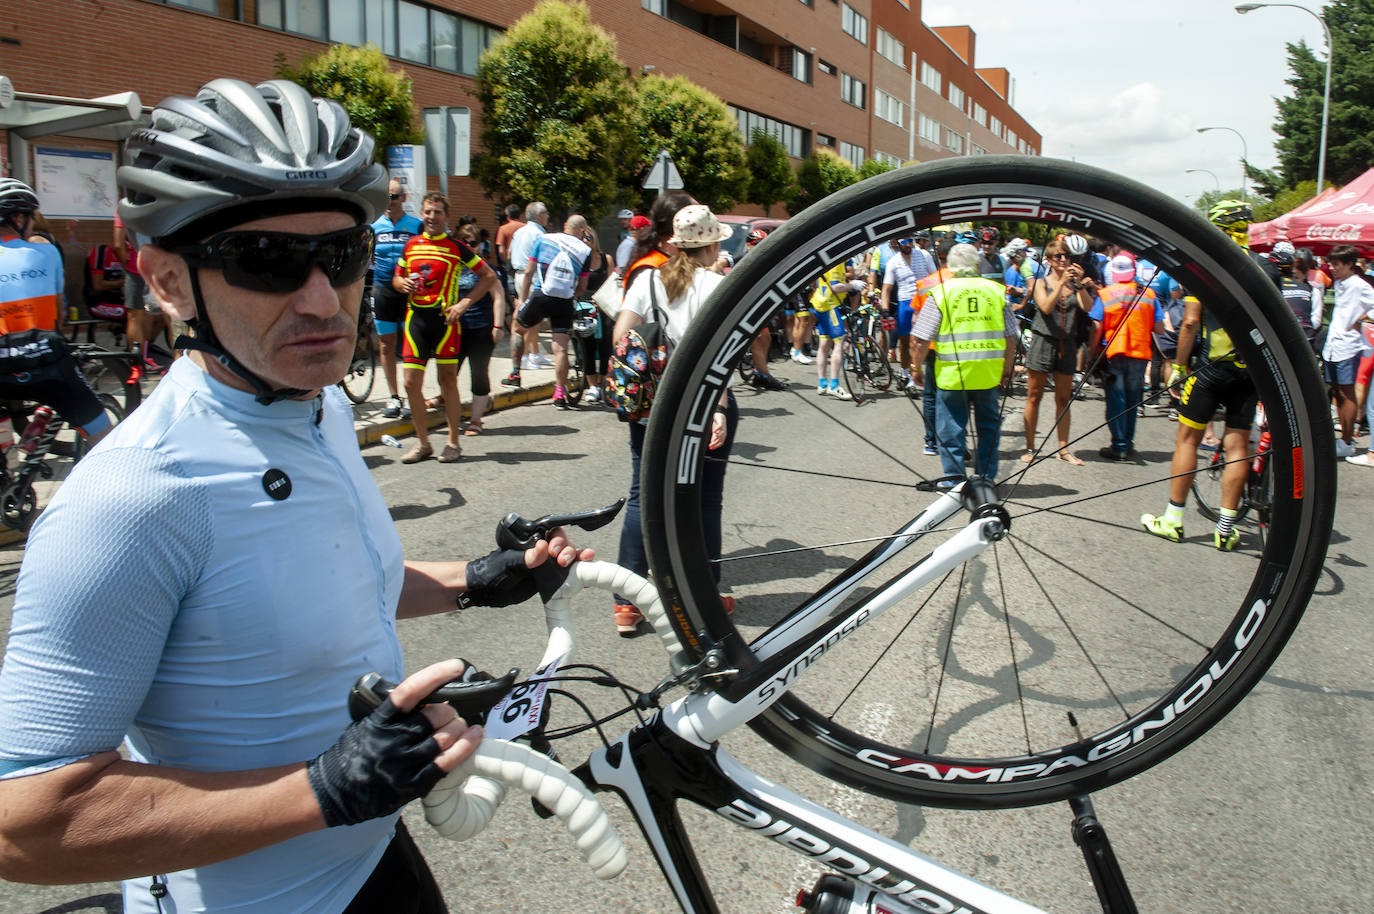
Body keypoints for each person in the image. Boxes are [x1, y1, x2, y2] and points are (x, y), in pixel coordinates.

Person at [0, 78, 591, 913]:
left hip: (372, 860)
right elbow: (23, 822)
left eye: (342, 257)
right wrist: (321, 790)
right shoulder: (135, 495)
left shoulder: (315, 407)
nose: (323, 301)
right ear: (169, 281)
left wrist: (475, 578)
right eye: (266, 262)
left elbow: (314, 586)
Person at [610, 200, 736, 635]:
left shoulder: (646, 279)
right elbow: (719, 354)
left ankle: (627, 603)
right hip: (702, 401)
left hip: (650, 404)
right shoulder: (715, 286)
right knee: (703, 500)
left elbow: (620, 336)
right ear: (712, 244)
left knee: (643, 494)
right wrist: (719, 407)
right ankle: (704, 597)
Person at [0, 178, 113, 448]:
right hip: (45, 363)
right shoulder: (47, 252)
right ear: (18, 217)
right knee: (105, 438)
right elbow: (57, 317)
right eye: (31, 217)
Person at [1141, 296, 1257, 550]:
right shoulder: (1263, 269)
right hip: (1248, 372)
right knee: (1237, 447)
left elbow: (1191, 321)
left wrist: (1179, 367)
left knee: (1187, 441)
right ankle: (1225, 531)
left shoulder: (1209, 264)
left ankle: (1172, 520)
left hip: (1211, 369)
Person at [393, 191, 498, 463]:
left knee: (447, 381)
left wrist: (463, 304)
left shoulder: (456, 247)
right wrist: (400, 284)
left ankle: (453, 442)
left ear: (446, 216)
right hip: (416, 320)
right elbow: (397, 277)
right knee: (409, 383)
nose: (432, 216)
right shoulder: (411, 245)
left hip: (446, 323)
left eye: (438, 212)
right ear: (422, 213)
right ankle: (423, 443)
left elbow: (488, 276)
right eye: (428, 211)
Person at [910, 243, 1017, 482]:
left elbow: (920, 339)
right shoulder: (996, 291)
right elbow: (1011, 337)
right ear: (977, 265)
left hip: (952, 375)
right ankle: (986, 478)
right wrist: (1007, 368)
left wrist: (916, 367)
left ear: (950, 267)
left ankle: (954, 481)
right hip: (987, 373)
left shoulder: (940, 293)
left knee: (950, 430)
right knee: (989, 427)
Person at [1020, 236, 1095, 465]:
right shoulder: (1042, 284)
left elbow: (1088, 308)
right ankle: (1030, 447)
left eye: (1067, 256)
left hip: (1067, 344)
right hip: (1043, 342)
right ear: (1049, 261)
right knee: (1034, 396)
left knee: (1064, 398)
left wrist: (1080, 284)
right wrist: (1061, 283)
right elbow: (1045, 306)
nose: (1064, 260)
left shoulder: (1075, 285)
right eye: (1058, 256)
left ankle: (1063, 449)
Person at [1088, 252, 1164, 461]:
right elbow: (1159, 328)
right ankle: (1128, 443)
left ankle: (1118, 446)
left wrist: (1092, 352)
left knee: (1116, 400)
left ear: (1113, 271)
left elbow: (1096, 327)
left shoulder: (1106, 294)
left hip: (1114, 354)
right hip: (1139, 355)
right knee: (1132, 401)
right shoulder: (1148, 294)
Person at [517, 214, 591, 410]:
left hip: (540, 295)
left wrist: (523, 300)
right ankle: (560, 393)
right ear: (582, 231)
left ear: (565, 225)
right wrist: (570, 296)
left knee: (518, 329)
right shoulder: (585, 250)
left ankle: (515, 373)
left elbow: (528, 272)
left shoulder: (544, 239)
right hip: (563, 302)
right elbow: (583, 286)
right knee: (560, 349)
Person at [371, 178, 423, 419]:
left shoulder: (416, 225)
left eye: (393, 197)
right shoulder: (373, 226)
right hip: (382, 289)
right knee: (386, 344)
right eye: (385, 197)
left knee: (412, 345)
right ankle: (394, 398)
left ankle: (413, 395)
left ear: (403, 198)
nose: (389, 202)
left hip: (409, 292)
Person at [453, 221, 507, 435]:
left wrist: (498, 325)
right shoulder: (453, 267)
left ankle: (476, 420)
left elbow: (499, 296)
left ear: (480, 245)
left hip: (481, 328)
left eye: (473, 243)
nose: (468, 246)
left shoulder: (487, 269)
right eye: (463, 242)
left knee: (478, 374)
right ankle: (450, 409)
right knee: (446, 373)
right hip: (454, 329)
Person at [1321, 244, 1374, 459]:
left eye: (1336, 264)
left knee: (1346, 392)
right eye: (1331, 264)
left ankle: (1346, 439)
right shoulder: (1341, 282)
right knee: (1337, 391)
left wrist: (1361, 320)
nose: (1332, 268)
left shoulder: (1359, 285)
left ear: (1349, 264)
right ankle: (1344, 437)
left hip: (1348, 346)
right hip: (1333, 346)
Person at [501, 201, 551, 387]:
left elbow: (509, 254)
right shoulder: (538, 234)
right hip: (531, 276)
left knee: (529, 317)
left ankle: (534, 352)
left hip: (519, 275)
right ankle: (531, 355)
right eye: (545, 213)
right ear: (538, 215)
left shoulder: (520, 232)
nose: (547, 216)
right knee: (530, 318)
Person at [879, 237, 928, 390]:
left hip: (923, 301)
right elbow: (886, 288)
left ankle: (915, 375)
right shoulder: (893, 262)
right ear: (898, 244)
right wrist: (885, 309)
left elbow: (936, 277)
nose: (907, 245)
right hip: (905, 302)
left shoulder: (924, 255)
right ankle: (905, 372)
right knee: (906, 342)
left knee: (919, 342)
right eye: (904, 243)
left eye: (910, 242)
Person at [575, 223, 615, 405]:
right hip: (584, 307)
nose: (585, 241)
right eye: (582, 238)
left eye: (588, 238)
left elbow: (612, 283)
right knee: (587, 347)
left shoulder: (606, 259)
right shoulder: (577, 259)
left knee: (606, 345)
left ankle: (604, 383)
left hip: (603, 307)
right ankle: (592, 387)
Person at [810, 259, 855, 400]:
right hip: (830, 305)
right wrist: (852, 285)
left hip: (820, 304)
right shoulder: (837, 263)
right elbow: (835, 288)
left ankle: (822, 383)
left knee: (824, 346)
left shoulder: (829, 261)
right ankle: (834, 386)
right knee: (839, 343)